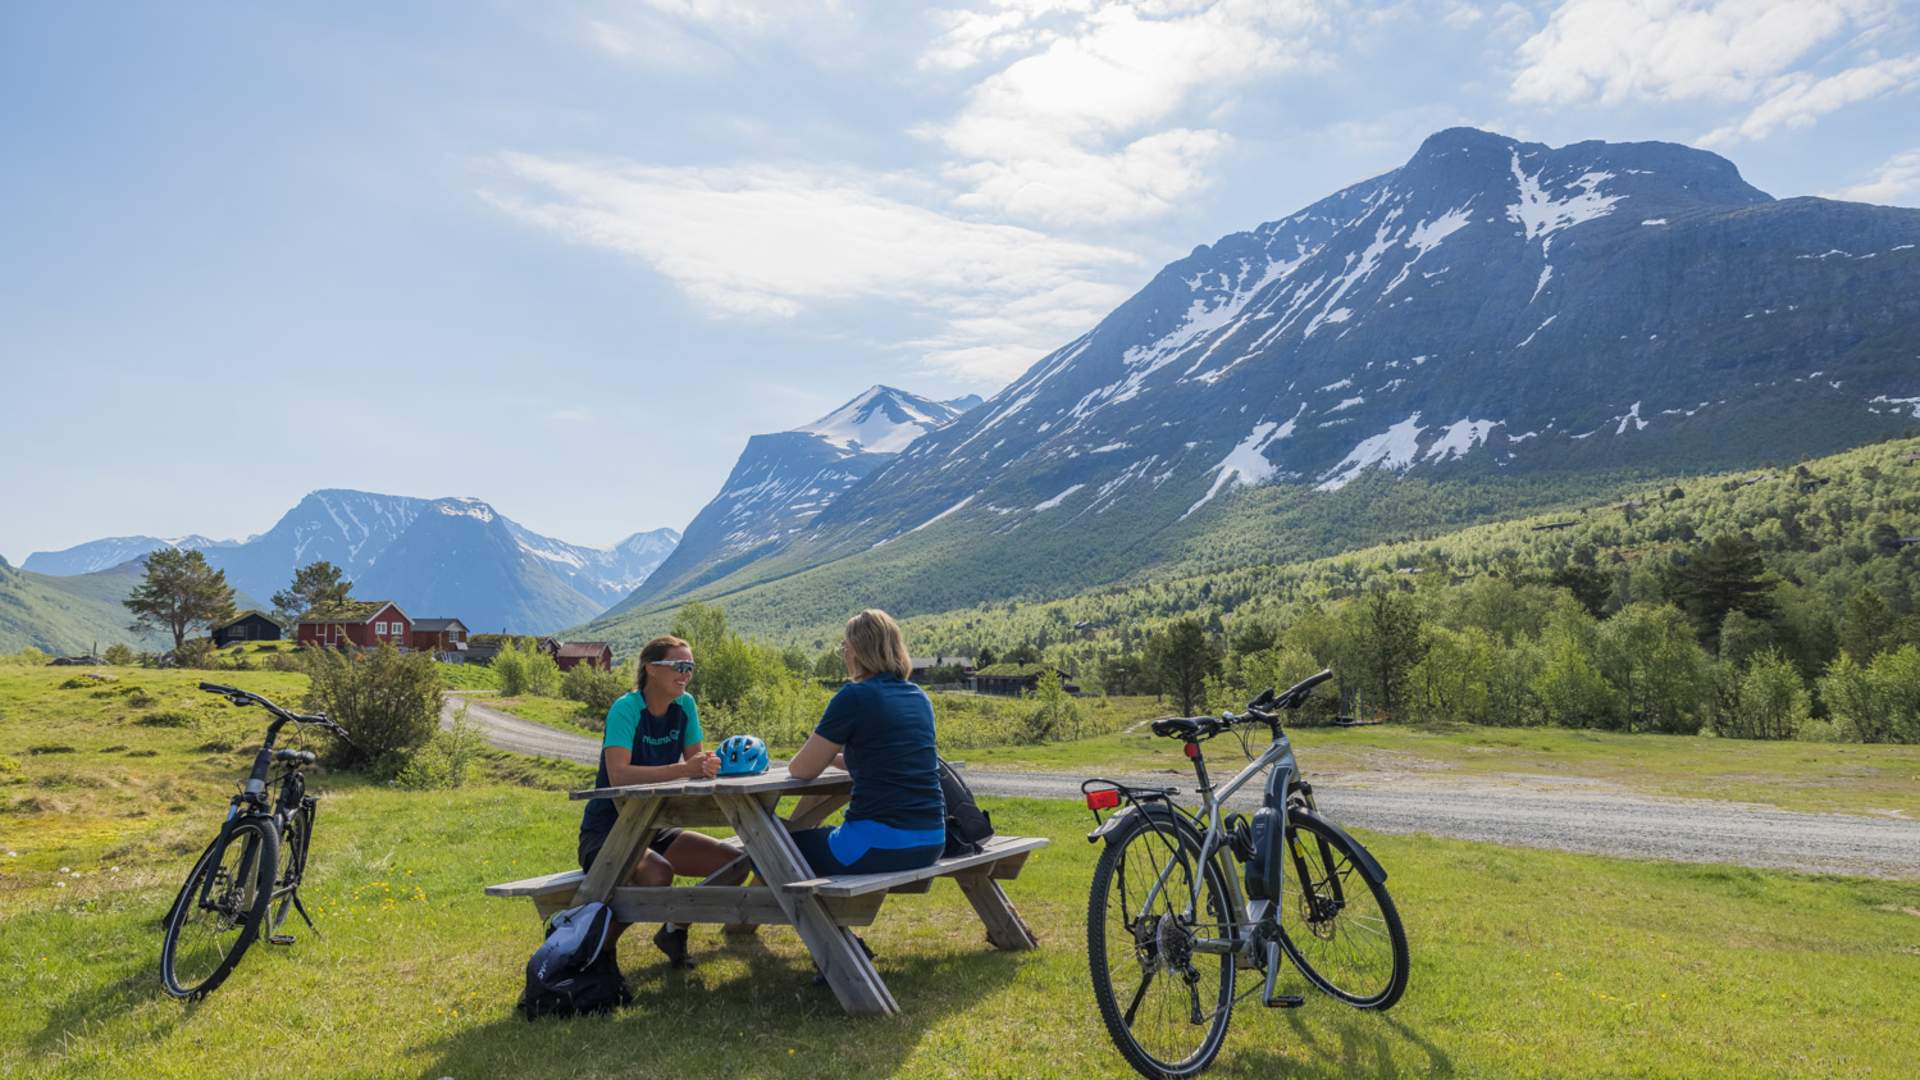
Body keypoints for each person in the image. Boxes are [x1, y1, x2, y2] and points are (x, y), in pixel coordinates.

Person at [576, 634, 738, 968]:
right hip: (609, 831)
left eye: (690, 667)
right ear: (650, 668)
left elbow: (695, 765)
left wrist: (707, 766)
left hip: (655, 826)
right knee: (657, 873)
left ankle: (674, 929)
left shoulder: (685, 705)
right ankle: (596, 953)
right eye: (678, 666)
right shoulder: (626, 709)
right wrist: (685, 769)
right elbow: (619, 775)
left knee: (734, 864)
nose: (685, 674)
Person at [786, 610, 945, 880]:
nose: (844, 654)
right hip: (932, 840)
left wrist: (814, 752)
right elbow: (884, 759)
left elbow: (802, 770)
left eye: (845, 647)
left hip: (880, 844)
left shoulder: (855, 696)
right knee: (785, 845)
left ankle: (744, 907)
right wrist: (832, 757)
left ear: (857, 650)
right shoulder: (919, 697)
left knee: (770, 849)